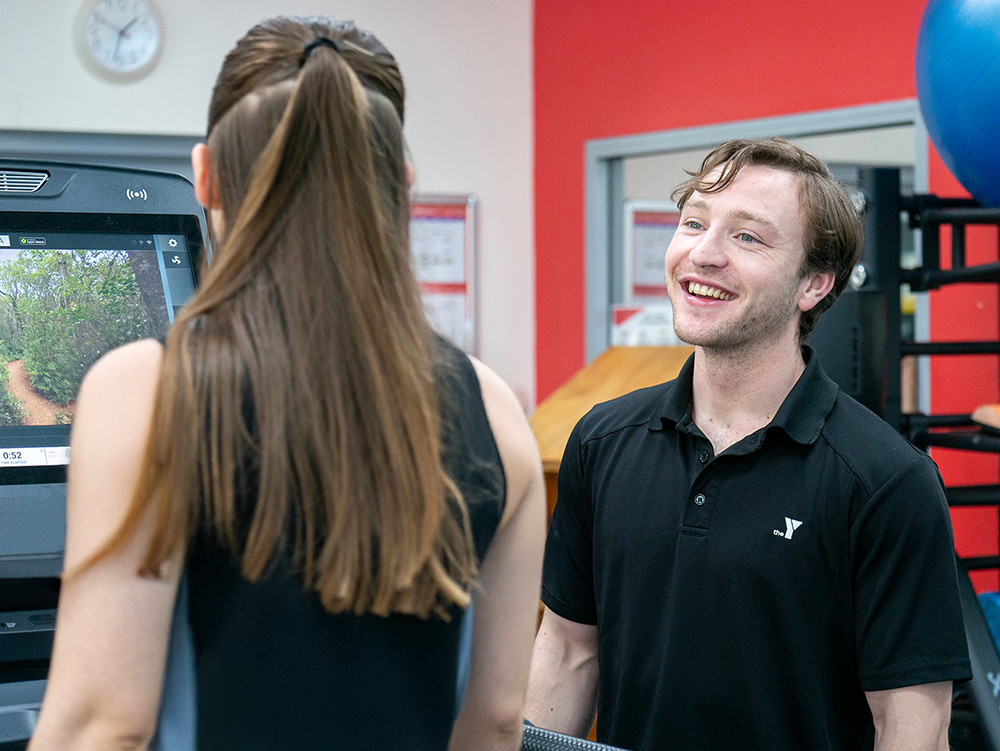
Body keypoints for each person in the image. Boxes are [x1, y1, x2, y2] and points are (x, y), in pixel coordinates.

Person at [27, 16, 545, 751]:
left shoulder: (147, 390)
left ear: (205, 175)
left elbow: (103, 725)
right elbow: (494, 722)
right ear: (400, 188)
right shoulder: (496, 411)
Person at [525, 137, 971, 751]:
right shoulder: (602, 442)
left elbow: (912, 726)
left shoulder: (885, 480)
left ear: (814, 283)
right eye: (693, 223)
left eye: (748, 237)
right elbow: (571, 650)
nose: (703, 254)